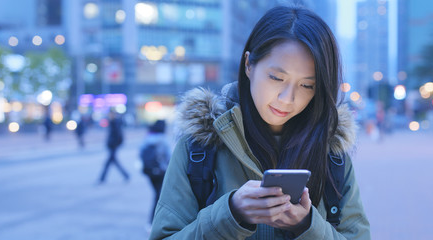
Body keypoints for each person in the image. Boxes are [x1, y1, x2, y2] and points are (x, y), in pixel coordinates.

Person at [149, 6, 370, 240]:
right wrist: (231, 214)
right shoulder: (199, 146)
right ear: (248, 65)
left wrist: (308, 226)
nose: (287, 98)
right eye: (276, 78)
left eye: (307, 85)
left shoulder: (332, 152)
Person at [139, 120, 170, 223]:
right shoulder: (163, 140)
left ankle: (152, 221)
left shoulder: (147, 139)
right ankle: (153, 221)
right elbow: (169, 157)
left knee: (157, 194)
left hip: (149, 173)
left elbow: (141, 154)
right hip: (161, 172)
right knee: (159, 196)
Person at [98, 111, 130, 183]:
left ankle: (102, 178)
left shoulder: (115, 123)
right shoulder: (112, 122)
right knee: (112, 162)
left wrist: (115, 144)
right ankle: (126, 175)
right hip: (111, 145)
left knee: (109, 162)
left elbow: (118, 135)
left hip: (113, 146)